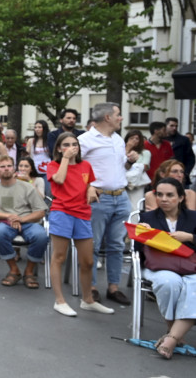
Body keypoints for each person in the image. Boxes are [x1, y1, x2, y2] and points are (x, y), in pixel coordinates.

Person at [47, 132, 114, 316]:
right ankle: (59, 300)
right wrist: (66, 160)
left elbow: (91, 184)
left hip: (82, 213)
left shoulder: (86, 165)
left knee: (88, 261)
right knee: (59, 257)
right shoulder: (54, 165)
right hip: (61, 212)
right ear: (59, 149)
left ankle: (87, 300)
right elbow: (59, 179)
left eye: (74, 144)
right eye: (66, 145)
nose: (71, 148)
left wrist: (93, 188)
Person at [78, 103, 137, 306]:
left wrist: (129, 162)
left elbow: (119, 167)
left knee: (117, 245)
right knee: (92, 244)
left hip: (121, 197)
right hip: (98, 198)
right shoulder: (84, 140)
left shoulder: (118, 139)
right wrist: (88, 186)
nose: (121, 118)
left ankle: (113, 287)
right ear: (107, 118)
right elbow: (75, 169)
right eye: (118, 115)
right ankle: (92, 287)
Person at [137, 177, 196, 359]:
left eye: (170, 195)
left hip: (190, 266)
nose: (163, 199)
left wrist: (190, 237)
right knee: (169, 282)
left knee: (194, 285)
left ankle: (170, 338)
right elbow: (138, 251)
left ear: (180, 198)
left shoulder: (193, 217)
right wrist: (142, 234)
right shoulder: (147, 217)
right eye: (159, 194)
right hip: (159, 266)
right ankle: (175, 335)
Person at [0, 156, 48, 288]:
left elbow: (41, 211)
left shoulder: (27, 187)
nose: (6, 169)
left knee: (41, 235)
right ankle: (14, 269)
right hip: (6, 223)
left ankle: (29, 271)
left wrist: (21, 219)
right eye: (2, 167)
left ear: (14, 168)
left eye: (9, 166)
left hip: (28, 222)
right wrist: (9, 216)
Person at [124, 129, 152, 209]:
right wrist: (128, 148)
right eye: (132, 138)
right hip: (123, 184)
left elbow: (144, 166)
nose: (134, 140)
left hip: (137, 184)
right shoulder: (122, 151)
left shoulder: (145, 153)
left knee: (135, 207)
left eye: (137, 138)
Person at [166, 117, 195, 187]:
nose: (174, 128)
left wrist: (186, 173)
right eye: (171, 126)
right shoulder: (161, 140)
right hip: (165, 174)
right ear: (166, 126)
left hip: (181, 175)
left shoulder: (184, 140)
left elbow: (191, 159)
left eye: (176, 126)